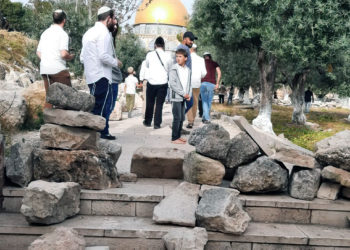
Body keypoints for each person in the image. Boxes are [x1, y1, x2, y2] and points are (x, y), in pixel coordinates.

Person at [80, 6, 119, 140]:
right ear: (108, 18)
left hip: (92, 76)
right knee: (101, 108)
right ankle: (99, 135)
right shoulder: (104, 33)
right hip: (102, 76)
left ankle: (96, 135)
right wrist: (115, 62)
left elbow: (81, 57)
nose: (114, 22)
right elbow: (103, 56)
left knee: (96, 106)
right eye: (113, 19)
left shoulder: (88, 33)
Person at [36, 9, 75, 109]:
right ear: (64, 20)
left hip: (45, 69)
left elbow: (38, 52)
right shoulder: (63, 34)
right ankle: (66, 122)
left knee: (50, 98)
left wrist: (47, 59)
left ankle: (46, 121)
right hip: (58, 69)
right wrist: (70, 57)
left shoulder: (45, 33)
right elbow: (63, 54)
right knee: (69, 97)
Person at [143, 36, 172, 129]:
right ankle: (157, 123)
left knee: (150, 103)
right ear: (163, 45)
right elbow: (170, 69)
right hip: (163, 82)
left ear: (155, 45)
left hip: (151, 82)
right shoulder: (168, 55)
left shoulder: (149, 55)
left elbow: (147, 65)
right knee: (159, 104)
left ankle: (147, 121)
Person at [169, 48, 192, 144]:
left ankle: (178, 136)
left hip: (184, 97)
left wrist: (189, 95)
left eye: (180, 56)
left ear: (185, 58)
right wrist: (184, 94)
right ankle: (174, 138)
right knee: (177, 117)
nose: (178, 58)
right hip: (176, 97)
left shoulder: (188, 70)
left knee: (182, 117)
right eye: (177, 56)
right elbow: (173, 84)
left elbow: (189, 84)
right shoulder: (174, 68)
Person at [186, 44, 206, 129]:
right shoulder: (201, 59)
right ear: (196, 50)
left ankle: (190, 121)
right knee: (195, 102)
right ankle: (192, 119)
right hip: (196, 83)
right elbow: (204, 73)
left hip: (186, 82)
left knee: (188, 101)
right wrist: (199, 77)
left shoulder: (186, 58)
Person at [177, 31, 197, 112]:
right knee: (189, 102)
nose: (192, 42)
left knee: (184, 102)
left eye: (193, 40)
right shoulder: (183, 49)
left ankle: (178, 121)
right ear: (185, 39)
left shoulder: (183, 48)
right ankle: (178, 121)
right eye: (191, 40)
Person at [200, 52, 221, 123]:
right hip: (212, 84)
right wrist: (217, 83)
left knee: (204, 101)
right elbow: (219, 73)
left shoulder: (201, 63)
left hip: (202, 84)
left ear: (204, 57)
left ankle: (206, 117)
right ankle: (206, 117)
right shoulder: (214, 63)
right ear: (210, 56)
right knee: (208, 102)